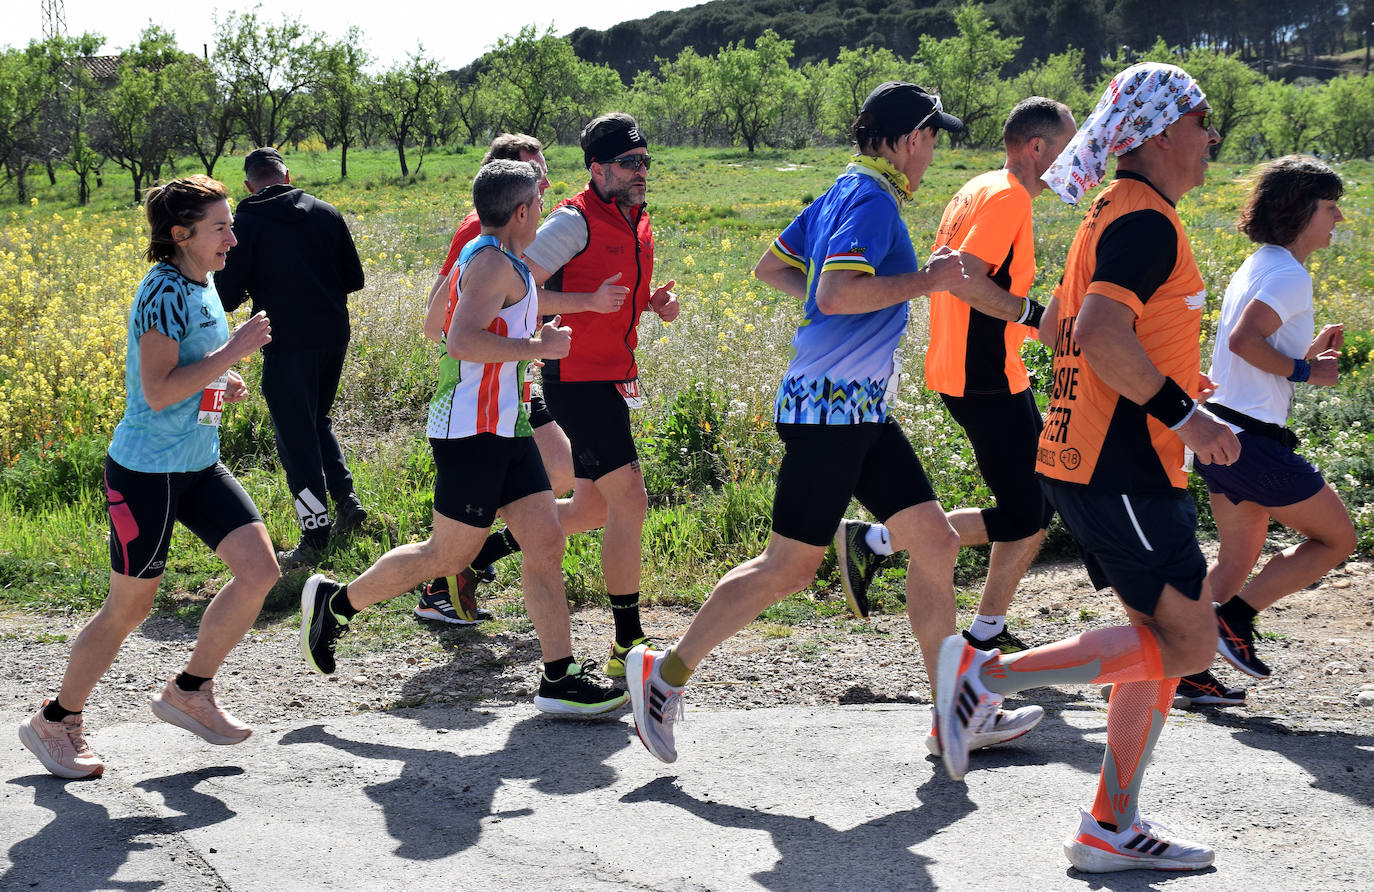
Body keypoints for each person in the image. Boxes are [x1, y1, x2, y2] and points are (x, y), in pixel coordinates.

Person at [625, 82, 1045, 766]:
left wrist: (843, 315)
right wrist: (924, 284)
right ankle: (664, 678)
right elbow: (833, 290)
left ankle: (954, 715)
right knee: (789, 568)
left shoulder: (848, 188)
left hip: (857, 408)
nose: (934, 151)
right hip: (829, 411)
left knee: (935, 542)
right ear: (910, 138)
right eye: (933, 137)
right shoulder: (872, 199)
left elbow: (775, 269)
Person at [934, 63, 1237, 873]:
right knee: (1191, 640)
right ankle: (981, 672)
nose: (1212, 139)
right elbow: (1102, 335)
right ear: (1164, 129)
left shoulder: (1111, 212)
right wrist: (1184, 413)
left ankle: (1111, 824)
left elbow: (1075, 331)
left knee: (1155, 643)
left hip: (1100, 455)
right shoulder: (1144, 221)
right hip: (1123, 463)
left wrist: (1172, 378)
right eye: (1205, 121)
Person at [298, 160, 626, 717]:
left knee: (546, 543)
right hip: (471, 430)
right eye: (538, 204)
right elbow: (459, 339)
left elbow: (516, 306)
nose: (543, 210)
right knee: (448, 554)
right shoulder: (491, 263)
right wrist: (536, 351)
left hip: (509, 426)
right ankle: (338, 603)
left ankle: (559, 677)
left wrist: (576, 309)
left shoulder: (503, 260)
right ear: (521, 212)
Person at [19, 175, 278, 779]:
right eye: (221, 227)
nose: (232, 238)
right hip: (146, 472)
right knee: (129, 609)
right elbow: (158, 392)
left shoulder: (202, 280)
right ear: (181, 234)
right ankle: (54, 721)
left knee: (260, 570)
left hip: (196, 463)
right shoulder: (161, 291)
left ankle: (189, 690)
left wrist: (221, 380)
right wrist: (233, 354)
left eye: (230, 225)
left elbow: (189, 370)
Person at [835, 97, 1077, 660]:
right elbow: (964, 280)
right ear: (1037, 148)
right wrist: (1036, 317)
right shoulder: (1008, 198)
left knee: (1034, 506)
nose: (1078, 160)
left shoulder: (982, 186)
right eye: (1068, 148)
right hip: (982, 374)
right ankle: (878, 541)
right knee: (1027, 511)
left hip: (976, 369)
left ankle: (986, 628)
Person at [453, 112, 679, 679]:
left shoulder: (635, 219)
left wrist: (649, 304)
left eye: (645, 162)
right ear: (597, 168)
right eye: (629, 163)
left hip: (608, 375)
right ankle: (626, 636)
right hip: (573, 377)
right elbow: (518, 289)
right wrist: (585, 305)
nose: (640, 172)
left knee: (594, 506)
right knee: (631, 497)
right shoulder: (571, 222)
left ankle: (486, 550)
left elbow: (615, 291)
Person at [414, 133, 625, 626]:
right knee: (557, 497)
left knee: (566, 490)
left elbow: (523, 299)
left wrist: (589, 302)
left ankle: (466, 564)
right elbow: (438, 322)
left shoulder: (521, 236)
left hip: (515, 388)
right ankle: (448, 574)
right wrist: (525, 347)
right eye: (532, 171)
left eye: (544, 169)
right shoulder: (480, 236)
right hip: (489, 396)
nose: (544, 181)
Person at [1190, 155, 1356, 698]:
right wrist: (1309, 370)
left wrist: (1301, 357)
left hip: (1224, 431)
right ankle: (1232, 622)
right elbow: (1243, 342)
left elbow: (1250, 350)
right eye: (1331, 208)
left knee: (1237, 559)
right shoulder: (1289, 274)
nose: (1338, 219)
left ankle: (1181, 664)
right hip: (1251, 443)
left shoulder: (1262, 262)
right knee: (1336, 538)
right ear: (1303, 211)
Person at [216, 147, 367, 571]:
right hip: (333, 334)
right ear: (287, 175)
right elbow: (353, 279)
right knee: (318, 421)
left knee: (294, 436)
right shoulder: (326, 211)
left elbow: (227, 296)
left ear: (249, 185)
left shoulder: (245, 222)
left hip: (284, 341)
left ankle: (314, 535)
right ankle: (347, 502)